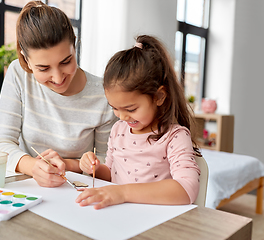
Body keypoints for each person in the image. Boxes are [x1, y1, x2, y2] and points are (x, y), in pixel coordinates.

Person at [0, 1, 117, 187]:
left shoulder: (103, 94)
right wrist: (33, 167)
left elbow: (108, 162)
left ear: (75, 46)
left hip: (79, 193)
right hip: (29, 189)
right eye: (43, 68)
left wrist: (68, 165)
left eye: (66, 61)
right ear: (26, 59)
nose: (58, 79)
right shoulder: (19, 73)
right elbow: (1, 143)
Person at [76, 35, 201, 210]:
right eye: (115, 108)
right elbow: (112, 174)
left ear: (159, 97)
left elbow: (187, 189)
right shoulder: (118, 130)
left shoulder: (174, 136)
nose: (122, 117)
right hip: (121, 213)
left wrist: (123, 193)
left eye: (131, 109)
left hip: (155, 220)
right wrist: (94, 168)